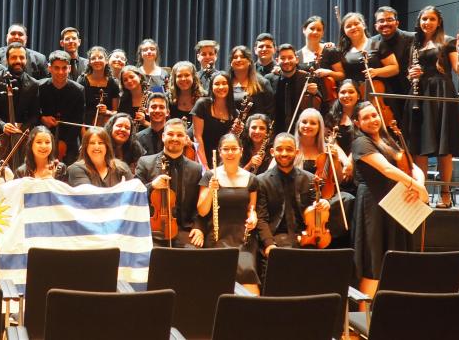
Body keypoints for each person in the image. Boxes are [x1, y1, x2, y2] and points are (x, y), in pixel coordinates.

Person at [353, 101, 428, 299]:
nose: (372, 120)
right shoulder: (361, 142)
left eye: (374, 115)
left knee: (396, 262)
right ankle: (364, 321)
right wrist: (416, 186)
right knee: (374, 264)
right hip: (374, 205)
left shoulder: (388, 139)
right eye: (366, 117)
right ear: (357, 123)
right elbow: (386, 169)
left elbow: (413, 167)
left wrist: (418, 184)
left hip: (396, 205)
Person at [404, 5, 459, 208]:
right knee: (420, 146)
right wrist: (411, 75)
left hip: (441, 94)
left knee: (444, 147)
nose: (427, 23)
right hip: (419, 94)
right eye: (424, 19)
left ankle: (445, 193)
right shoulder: (415, 45)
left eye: (431, 19)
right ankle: (422, 194)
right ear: (419, 21)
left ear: (438, 21)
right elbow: (409, 72)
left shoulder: (448, 41)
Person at [197, 133, 260, 294]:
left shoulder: (251, 179)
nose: (230, 153)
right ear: (220, 152)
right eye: (226, 149)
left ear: (241, 150)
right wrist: (211, 189)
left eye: (234, 149)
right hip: (217, 236)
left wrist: (253, 217)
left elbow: (251, 209)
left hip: (243, 238)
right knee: (218, 275)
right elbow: (202, 211)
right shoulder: (210, 175)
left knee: (247, 271)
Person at [136, 118, 205, 248]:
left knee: (196, 258)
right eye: (170, 134)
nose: (175, 138)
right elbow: (134, 198)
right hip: (153, 231)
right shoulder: (145, 163)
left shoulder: (195, 168)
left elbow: (198, 205)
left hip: (184, 231)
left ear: (185, 139)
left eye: (179, 135)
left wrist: (199, 227)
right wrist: (151, 186)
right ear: (163, 136)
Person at [255, 133, 327, 256]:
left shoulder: (310, 179)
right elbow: (261, 218)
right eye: (279, 149)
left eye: (289, 150)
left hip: (305, 236)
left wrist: (324, 204)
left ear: (297, 152)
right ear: (272, 152)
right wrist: (269, 243)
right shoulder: (262, 181)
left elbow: (317, 213)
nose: (284, 153)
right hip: (276, 238)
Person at [294, 107, 354, 244]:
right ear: (298, 125)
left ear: (319, 127)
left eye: (313, 123)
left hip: (324, 197)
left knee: (347, 198)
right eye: (304, 122)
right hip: (298, 196)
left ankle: (325, 238)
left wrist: (336, 161)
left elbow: (338, 181)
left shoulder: (328, 148)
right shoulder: (291, 147)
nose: (308, 126)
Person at [0, 43, 41, 169]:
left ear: (26, 59)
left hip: (22, 136)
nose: (18, 61)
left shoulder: (33, 84)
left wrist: (23, 129)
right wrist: (3, 125)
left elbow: (35, 115)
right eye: (14, 57)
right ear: (7, 59)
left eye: (21, 57)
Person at [337, 12, 399, 124]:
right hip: (353, 97)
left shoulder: (377, 45)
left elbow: (394, 68)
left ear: (364, 25)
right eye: (348, 26)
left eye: (356, 23)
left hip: (375, 95)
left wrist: (376, 72)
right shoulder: (343, 50)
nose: (353, 27)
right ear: (344, 31)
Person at [39, 50, 86, 164]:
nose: (61, 72)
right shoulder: (39, 86)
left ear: (69, 68)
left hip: (70, 138)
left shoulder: (79, 90)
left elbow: (78, 120)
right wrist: (42, 118)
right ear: (49, 68)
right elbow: (32, 112)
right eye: (56, 68)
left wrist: (64, 142)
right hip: (43, 136)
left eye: (64, 68)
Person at [371, 6, 416, 120]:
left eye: (390, 20)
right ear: (376, 26)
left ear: (397, 23)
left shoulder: (412, 38)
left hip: (407, 92)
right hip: (382, 94)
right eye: (381, 21)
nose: (385, 23)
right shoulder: (372, 42)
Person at [265, 44, 321, 134]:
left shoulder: (307, 78)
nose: (287, 61)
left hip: (302, 131)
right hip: (276, 132)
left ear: (297, 59)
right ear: (277, 61)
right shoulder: (269, 79)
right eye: (282, 58)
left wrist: (315, 92)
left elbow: (319, 103)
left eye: (290, 57)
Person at [191, 71, 237, 170]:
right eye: (217, 84)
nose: (221, 87)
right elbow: (197, 136)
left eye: (224, 83)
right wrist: (204, 166)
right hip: (200, 156)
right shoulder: (202, 105)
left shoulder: (234, 112)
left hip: (222, 158)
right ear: (211, 87)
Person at [67, 127, 134, 187]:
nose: (97, 147)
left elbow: (133, 192)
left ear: (107, 146)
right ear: (85, 147)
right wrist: (119, 191)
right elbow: (88, 196)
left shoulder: (122, 167)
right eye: (92, 143)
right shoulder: (76, 169)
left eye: (101, 143)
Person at [297, 16, 344, 99]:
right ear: (304, 30)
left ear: (322, 33)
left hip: (327, 100)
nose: (315, 32)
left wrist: (329, 73)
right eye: (312, 28)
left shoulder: (330, 51)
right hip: (304, 100)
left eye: (319, 30)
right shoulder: (297, 55)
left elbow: (342, 75)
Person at [78, 46, 120, 127]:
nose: (97, 60)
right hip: (85, 125)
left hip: (106, 126)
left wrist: (107, 112)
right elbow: (78, 110)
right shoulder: (82, 80)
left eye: (100, 57)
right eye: (93, 58)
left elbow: (116, 112)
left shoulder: (113, 83)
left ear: (106, 61)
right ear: (89, 62)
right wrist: (83, 132)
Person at [228, 45, 274, 118]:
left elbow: (270, 112)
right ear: (231, 63)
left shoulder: (262, 83)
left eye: (243, 57)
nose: (238, 60)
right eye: (235, 57)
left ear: (249, 61)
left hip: (254, 128)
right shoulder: (225, 83)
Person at [324, 79, 361, 155]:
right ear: (338, 95)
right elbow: (332, 142)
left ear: (358, 96)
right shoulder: (332, 116)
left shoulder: (364, 115)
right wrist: (345, 162)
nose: (346, 95)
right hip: (339, 161)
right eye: (343, 92)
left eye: (351, 92)